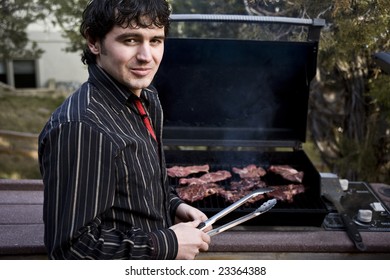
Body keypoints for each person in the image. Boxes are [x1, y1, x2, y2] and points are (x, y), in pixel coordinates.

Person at [38, 0, 211, 260]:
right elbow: (71, 248)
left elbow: (137, 184)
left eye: (155, 41)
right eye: (130, 40)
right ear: (94, 42)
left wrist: (174, 204)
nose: (146, 56)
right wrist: (166, 244)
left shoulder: (147, 98)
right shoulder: (82, 127)